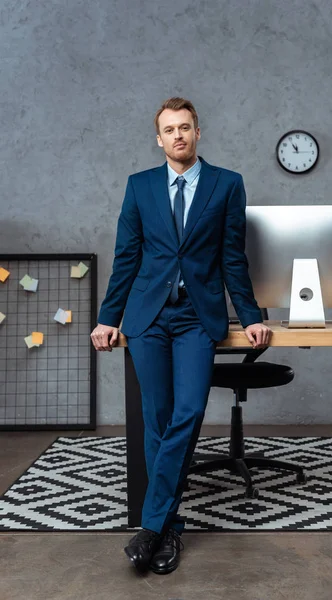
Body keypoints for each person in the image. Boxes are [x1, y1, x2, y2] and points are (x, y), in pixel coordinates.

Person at [90, 97, 271, 575]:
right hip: (148, 317)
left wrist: (249, 314)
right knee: (158, 418)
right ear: (159, 138)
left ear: (197, 132)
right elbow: (126, 256)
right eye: (168, 129)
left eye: (185, 127)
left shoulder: (226, 184)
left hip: (197, 317)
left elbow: (234, 256)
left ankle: (151, 525)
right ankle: (169, 528)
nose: (177, 136)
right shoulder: (141, 186)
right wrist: (109, 317)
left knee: (187, 412)